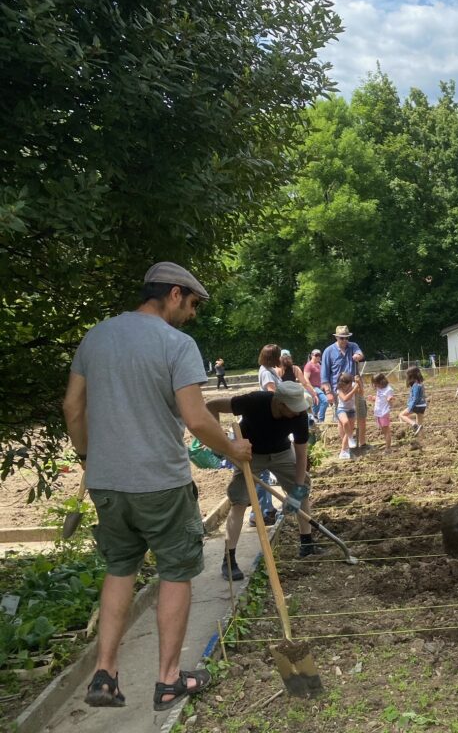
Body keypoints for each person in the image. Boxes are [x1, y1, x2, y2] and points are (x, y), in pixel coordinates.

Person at [62, 262, 252, 711]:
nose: (191, 315)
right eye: (191, 305)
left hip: (107, 484)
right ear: (173, 294)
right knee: (175, 572)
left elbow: (73, 406)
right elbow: (197, 418)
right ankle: (168, 681)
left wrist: (89, 457)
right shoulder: (176, 344)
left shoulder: (97, 336)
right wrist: (233, 450)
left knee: (120, 569)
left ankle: (104, 674)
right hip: (160, 485)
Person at [206, 381, 321, 582]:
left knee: (301, 491)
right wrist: (220, 440)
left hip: (283, 452)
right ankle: (229, 559)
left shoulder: (300, 414)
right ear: (279, 403)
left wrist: (298, 489)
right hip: (250, 454)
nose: (297, 413)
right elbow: (211, 406)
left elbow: (302, 455)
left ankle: (307, 544)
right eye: (292, 410)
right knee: (239, 501)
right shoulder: (254, 401)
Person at [321, 326, 366, 451]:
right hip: (338, 389)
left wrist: (358, 356)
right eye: (341, 338)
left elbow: (360, 354)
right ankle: (345, 447)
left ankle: (362, 444)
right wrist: (328, 392)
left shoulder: (353, 346)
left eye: (346, 338)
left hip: (354, 385)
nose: (344, 340)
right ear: (336, 337)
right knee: (342, 419)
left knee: (361, 413)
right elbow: (324, 375)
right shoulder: (328, 351)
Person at [252, 344, 282, 526]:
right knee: (262, 473)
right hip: (265, 424)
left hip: (268, 423)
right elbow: (272, 393)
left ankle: (267, 510)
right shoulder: (266, 373)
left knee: (265, 471)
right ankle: (260, 514)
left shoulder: (269, 370)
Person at [334, 373, 361, 458]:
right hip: (341, 410)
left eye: (349, 385)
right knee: (345, 423)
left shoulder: (353, 385)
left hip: (351, 411)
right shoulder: (339, 389)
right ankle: (351, 438)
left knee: (348, 431)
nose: (347, 387)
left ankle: (343, 451)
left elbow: (362, 393)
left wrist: (359, 384)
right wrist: (353, 390)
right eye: (345, 386)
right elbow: (345, 399)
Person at [398, 366, 427, 435]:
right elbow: (423, 396)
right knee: (420, 424)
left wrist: (411, 407)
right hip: (423, 405)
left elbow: (415, 398)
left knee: (401, 415)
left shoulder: (415, 385)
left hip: (416, 405)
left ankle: (414, 425)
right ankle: (421, 439)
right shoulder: (421, 384)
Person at [304, 349, 329, 423]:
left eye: (319, 355)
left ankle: (313, 420)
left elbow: (321, 376)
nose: (318, 357)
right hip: (312, 388)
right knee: (325, 401)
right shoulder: (308, 365)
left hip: (318, 388)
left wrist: (322, 386)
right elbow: (306, 378)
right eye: (316, 355)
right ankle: (321, 420)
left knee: (316, 405)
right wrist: (312, 389)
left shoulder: (319, 365)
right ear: (312, 355)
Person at [371, 373, 395, 448]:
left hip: (383, 413)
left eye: (375, 383)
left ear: (380, 382)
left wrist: (390, 400)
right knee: (383, 430)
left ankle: (388, 448)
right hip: (378, 412)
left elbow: (391, 402)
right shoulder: (379, 388)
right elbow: (380, 398)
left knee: (386, 430)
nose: (375, 385)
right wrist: (373, 398)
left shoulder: (388, 389)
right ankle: (387, 445)